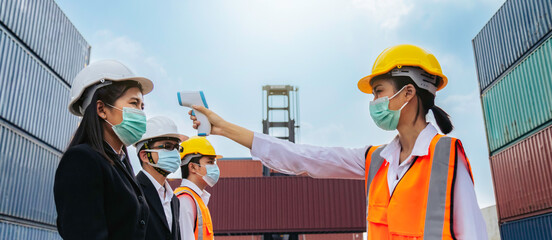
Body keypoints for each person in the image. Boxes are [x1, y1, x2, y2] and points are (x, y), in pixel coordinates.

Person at [188, 45, 488, 239]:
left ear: (408, 93)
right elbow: (301, 157)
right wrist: (224, 128)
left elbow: (472, 234)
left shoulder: (446, 157)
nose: (373, 102)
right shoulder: (377, 160)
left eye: (379, 91)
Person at [54, 60, 153, 239]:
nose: (141, 112)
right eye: (134, 103)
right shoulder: (82, 161)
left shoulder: (121, 165)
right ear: (101, 109)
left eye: (142, 106)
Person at [134, 116, 188, 240]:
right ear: (145, 156)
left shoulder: (174, 200)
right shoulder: (132, 191)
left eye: (176, 148)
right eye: (167, 146)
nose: (174, 153)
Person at [175, 137, 222, 240]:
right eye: (210, 162)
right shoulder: (185, 200)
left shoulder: (196, 198)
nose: (215, 168)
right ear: (192, 167)